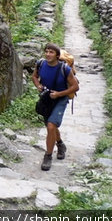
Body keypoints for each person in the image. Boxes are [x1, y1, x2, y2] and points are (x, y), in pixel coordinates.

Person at [32, 43, 79, 171]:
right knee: (50, 126)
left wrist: (59, 94)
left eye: (51, 52)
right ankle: (60, 144)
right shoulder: (41, 64)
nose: (48, 54)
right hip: (47, 97)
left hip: (61, 99)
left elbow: (75, 87)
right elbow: (34, 76)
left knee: (51, 126)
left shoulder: (65, 69)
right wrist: (38, 85)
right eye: (46, 51)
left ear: (57, 56)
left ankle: (48, 156)